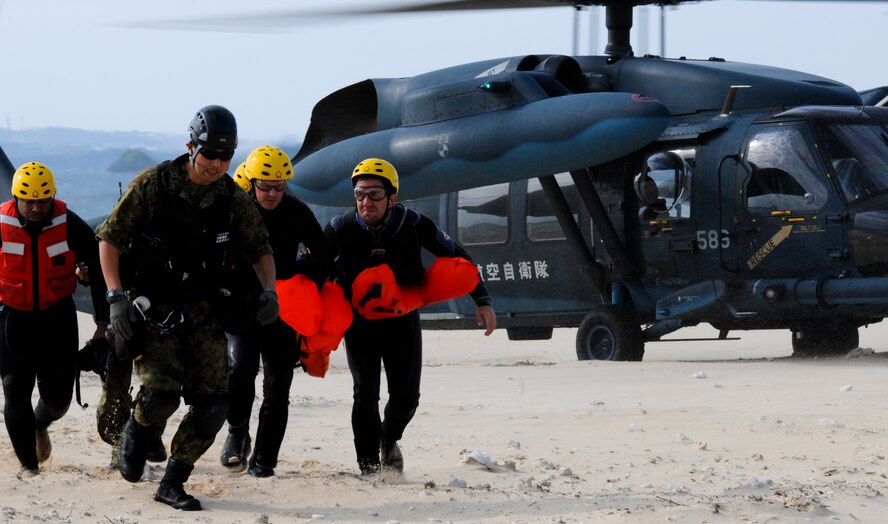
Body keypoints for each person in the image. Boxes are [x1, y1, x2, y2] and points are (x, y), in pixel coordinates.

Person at [96, 105, 277, 511]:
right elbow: (109, 239)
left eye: (224, 156)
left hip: (203, 310)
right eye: (209, 154)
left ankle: (173, 482)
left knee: (214, 405)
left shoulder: (231, 197)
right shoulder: (154, 186)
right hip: (153, 306)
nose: (216, 164)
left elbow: (260, 249)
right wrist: (115, 297)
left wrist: (270, 291)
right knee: (161, 396)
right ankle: (137, 430)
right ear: (190, 147)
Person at [325, 158, 497, 475]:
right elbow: (310, 270)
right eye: (360, 194)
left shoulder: (414, 224)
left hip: (401, 318)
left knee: (406, 398)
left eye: (375, 194)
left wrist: (482, 300)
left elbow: (458, 256)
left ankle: (388, 439)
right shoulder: (340, 228)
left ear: (392, 197)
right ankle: (369, 469)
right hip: (360, 322)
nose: (366, 202)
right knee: (365, 393)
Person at [220, 145, 329, 478]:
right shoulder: (235, 211)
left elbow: (323, 254)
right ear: (251, 183)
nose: (271, 193)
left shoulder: (296, 211)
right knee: (240, 370)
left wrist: (302, 281)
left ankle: (265, 460)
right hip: (241, 307)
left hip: (282, 309)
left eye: (278, 186)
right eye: (265, 185)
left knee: (278, 386)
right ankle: (237, 432)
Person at [0, 161, 110, 477]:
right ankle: (29, 467)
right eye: (29, 200)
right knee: (14, 390)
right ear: (16, 198)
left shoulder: (70, 225)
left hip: (57, 319)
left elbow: (100, 272)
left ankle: (40, 423)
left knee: (58, 401)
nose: (36, 207)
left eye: (43, 200)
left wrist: (101, 326)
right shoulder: (1, 223)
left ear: (52, 197)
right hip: (12, 320)